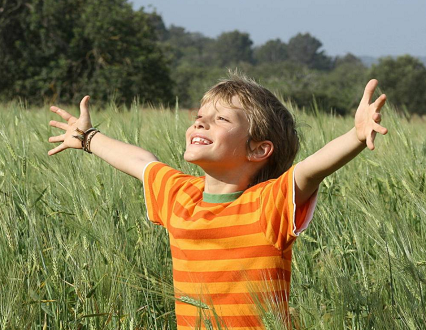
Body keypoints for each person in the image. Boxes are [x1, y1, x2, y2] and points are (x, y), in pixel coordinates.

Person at [47, 74, 387, 330]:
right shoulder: (180, 194)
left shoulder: (268, 204)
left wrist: (356, 136)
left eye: (221, 119)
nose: (200, 121)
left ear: (258, 149)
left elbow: (310, 171)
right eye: (200, 115)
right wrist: (89, 138)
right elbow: (140, 162)